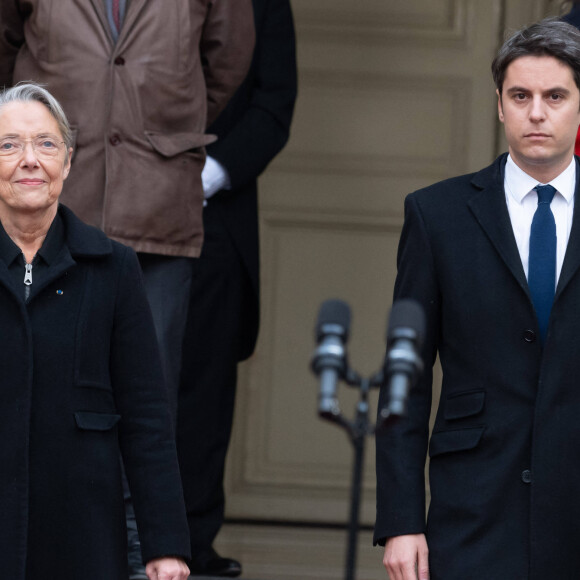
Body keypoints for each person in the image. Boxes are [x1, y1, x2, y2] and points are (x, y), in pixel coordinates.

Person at [0, 2, 255, 577]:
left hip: (156, 200)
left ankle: (145, 561)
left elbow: (228, 57)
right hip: (55, 199)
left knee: (149, 400)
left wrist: (160, 121)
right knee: (33, 388)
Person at [374, 18, 580, 580]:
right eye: (521, 96)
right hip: (474, 509)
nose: (536, 112)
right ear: (499, 106)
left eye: (555, 96)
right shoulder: (436, 215)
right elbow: (405, 377)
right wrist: (400, 519)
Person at [0, 82, 190, 580]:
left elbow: (147, 415)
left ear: (67, 161)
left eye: (46, 144)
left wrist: (165, 544)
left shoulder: (111, 268)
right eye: (8, 145)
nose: (29, 160)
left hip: (79, 536)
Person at [176, 0, 297, 575]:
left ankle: (190, 553)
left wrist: (199, 178)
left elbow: (274, 106)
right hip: (100, 211)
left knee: (199, 403)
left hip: (212, 218)